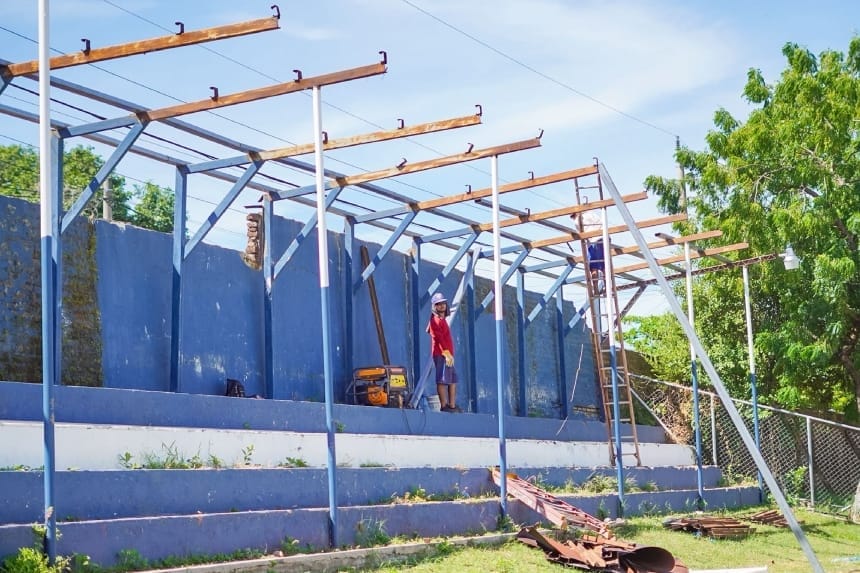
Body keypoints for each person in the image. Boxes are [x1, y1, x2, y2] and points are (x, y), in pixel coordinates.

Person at [426, 292, 460, 412]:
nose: (441, 306)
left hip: (447, 355)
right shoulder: (435, 320)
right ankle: (444, 405)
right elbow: (438, 338)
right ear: (434, 307)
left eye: (443, 304)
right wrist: (446, 353)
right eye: (438, 304)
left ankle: (452, 405)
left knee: (452, 379)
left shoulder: (442, 320)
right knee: (442, 379)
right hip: (442, 355)